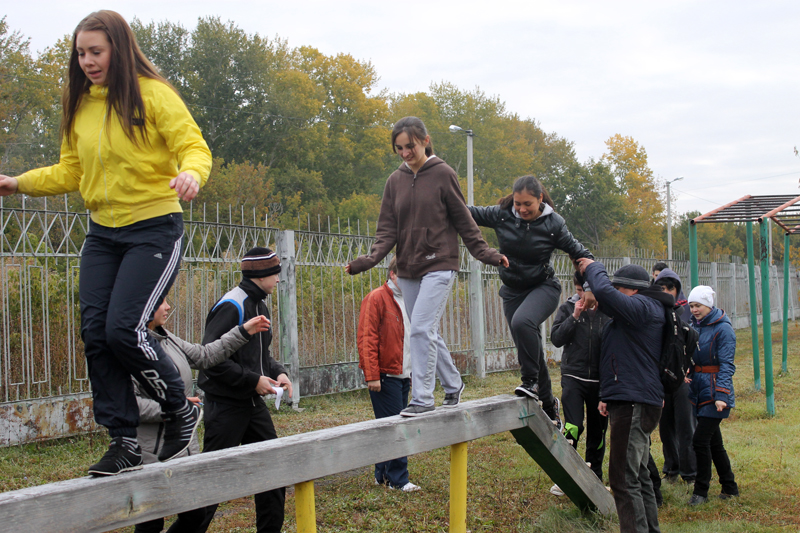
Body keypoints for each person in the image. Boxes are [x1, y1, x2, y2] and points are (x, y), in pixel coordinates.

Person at [0, 10, 212, 475]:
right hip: (102, 233)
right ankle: (124, 441)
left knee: (124, 329)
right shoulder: (81, 105)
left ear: (118, 48)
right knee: (96, 334)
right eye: (80, 53)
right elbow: (71, 171)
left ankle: (180, 408)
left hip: (154, 226)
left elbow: (192, 145)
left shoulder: (153, 95)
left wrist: (192, 173)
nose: (87, 61)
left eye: (95, 51)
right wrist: (20, 183)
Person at [346, 116, 507, 417]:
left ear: (425, 141)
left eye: (411, 146)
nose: (406, 153)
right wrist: (367, 261)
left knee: (419, 328)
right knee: (426, 330)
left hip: (440, 264)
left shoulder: (443, 174)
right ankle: (453, 384)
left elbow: (463, 220)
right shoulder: (394, 182)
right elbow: (386, 230)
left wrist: (487, 253)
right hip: (407, 267)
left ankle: (421, 398)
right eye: (399, 148)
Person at [133, 298, 271, 533]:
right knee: (150, 522)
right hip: (151, 453)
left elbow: (205, 355)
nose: (168, 307)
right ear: (144, 306)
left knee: (195, 514)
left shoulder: (168, 339)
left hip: (185, 449)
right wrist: (172, 407)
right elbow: (128, 404)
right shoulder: (128, 349)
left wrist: (242, 331)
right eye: (162, 302)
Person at [469, 175, 593, 428]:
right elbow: (465, 213)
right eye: (517, 204)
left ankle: (530, 382)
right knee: (531, 349)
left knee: (522, 322)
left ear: (540, 199)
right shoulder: (502, 214)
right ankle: (549, 406)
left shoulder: (553, 224)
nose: (522, 209)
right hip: (513, 290)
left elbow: (581, 254)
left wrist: (589, 287)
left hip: (543, 287)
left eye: (528, 204)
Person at [195, 246, 293, 533]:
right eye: (275, 273)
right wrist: (252, 380)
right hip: (225, 407)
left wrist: (278, 372)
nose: (278, 279)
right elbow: (210, 360)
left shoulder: (260, 303)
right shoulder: (232, 305)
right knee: (211, 481)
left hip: (253, 406)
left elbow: (260, 355)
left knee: (272, 471)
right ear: (261, 275)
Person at [578, 259, 671, 533]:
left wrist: (593, 267)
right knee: (638, 475)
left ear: (632, 291)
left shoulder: (644, 307)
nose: (615, 294)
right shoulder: (637, 314)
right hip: (630, 399)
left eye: (619, 289)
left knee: (622, 478)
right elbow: (621, 356)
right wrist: (607, 395)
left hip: (635, 403)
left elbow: (606, 294)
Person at [357, 257, 420, 492]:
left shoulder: (409, 300)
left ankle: (382, 474)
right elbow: (367, 337)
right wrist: (372, 374)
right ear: (393, 275)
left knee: (389, 425)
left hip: (403, 374)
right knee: (396, 427)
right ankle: (398, 479)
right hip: (385, 375)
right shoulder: (377, 298)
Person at [549, 272, 611, 496]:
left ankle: (595, 477)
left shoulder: (609, 312)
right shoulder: (568, 308)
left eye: (585, 292)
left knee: (598, 431)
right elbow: (556, 338)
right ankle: (567, 476)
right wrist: (574, 317)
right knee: (573, 426)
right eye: (578, 291)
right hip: (574, 377)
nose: (581, 297)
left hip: (600, 381)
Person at [686, 286, 739, 505]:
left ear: (709, 304)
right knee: (714, 443)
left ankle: (701, 491)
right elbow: (690, 355)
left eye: (698, 305)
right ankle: (729, 487)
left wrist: (722, 394)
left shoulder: (723, 329)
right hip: (698, 389)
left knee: (700, 440)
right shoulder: (692, 326)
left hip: (715, 391)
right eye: (691, 306)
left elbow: (727, 365)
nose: (694, 310)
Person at [654, 268, 697, 484]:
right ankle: (671, 468)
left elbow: (697, 341)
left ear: (677, 289)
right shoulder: (655, 311)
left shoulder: (688, 311)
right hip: (662, 377)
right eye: (661, 288)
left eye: (670, 288)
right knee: (665, 425)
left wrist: (691, 367)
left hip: (683, 377)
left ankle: (690, 472)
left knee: (685, 424)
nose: (666, 292)